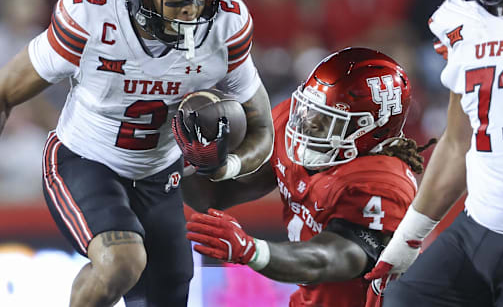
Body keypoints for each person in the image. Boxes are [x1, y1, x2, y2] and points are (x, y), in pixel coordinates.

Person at [0, 0, 274, 307]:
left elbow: (262, 129)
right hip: (84, 160)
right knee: (122, 262)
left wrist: (222, 166)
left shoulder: (226, 24)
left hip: (160, 175)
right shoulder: (92, 15)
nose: (194, 12)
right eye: (178, 0)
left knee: (169, 290)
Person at [365, 0, 503, 306]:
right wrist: (406, 241)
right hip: (478, 230)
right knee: (401, 301)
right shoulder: (462, 18)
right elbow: (458, 143)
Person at [182, 47, 433, 307]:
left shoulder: (383, 181)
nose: (309, 123)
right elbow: (214, 196)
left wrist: (253, 250)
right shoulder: (298, 119)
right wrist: (189, 157)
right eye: (310, 108)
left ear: (369, 129)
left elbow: (333, 257)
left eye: (328, 119)